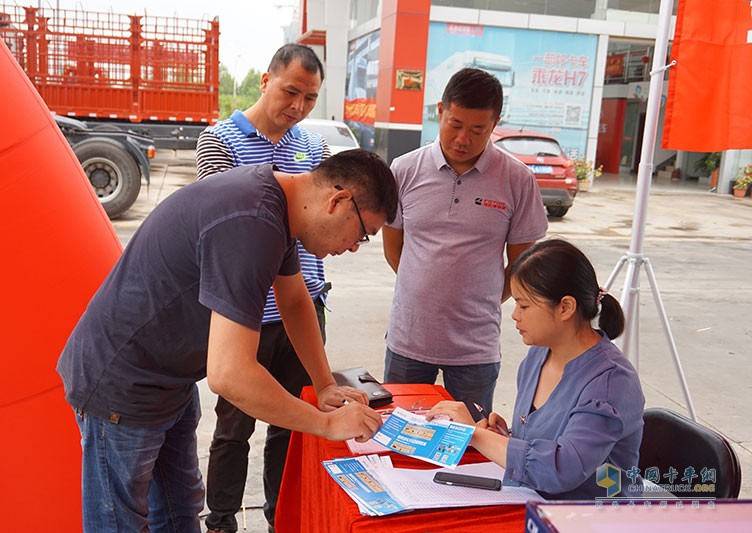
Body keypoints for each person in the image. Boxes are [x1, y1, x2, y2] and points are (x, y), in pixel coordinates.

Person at [56, 148, 398, 532]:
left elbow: (295, 299)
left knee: (180, 505)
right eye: (363, 234)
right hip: (122, 382)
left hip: (171, 377)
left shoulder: (281, 208)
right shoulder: (252, 222)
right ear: (338, 201)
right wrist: (326, 425)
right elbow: (230, 375)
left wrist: (325, 384)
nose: (353, 248)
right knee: (119, 523)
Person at [195, 43, 331, 533]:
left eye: (310, 98)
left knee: (291, 425)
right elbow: (231, 219)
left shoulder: (314, 149)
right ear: (265, 80)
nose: (297, 107)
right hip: (246, 309)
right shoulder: (219, 140)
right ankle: (223, 521)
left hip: (305, 304)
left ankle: (283, 518)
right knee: (234, 426)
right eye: (291, 91)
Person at [382, 68, 547, 418]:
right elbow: (394, 248)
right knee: (401, 438)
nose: (463, 139)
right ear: (439, 111)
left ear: (495, 123)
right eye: (455, 124)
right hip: (408, 342)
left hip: (475, 351)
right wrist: (425, 287)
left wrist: (478, 298)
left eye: (477, 130)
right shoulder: (404, 170)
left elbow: (522, 265)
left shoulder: (517, 179)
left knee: (469, 446)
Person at [427, 239, 645, 499]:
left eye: (524, 305)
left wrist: (473, 434)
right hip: (529, 499)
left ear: (565, 307)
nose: (515, 315)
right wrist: (505, 438)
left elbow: (561, 470)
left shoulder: (611, 381)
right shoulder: (539, 355)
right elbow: (543, 444)